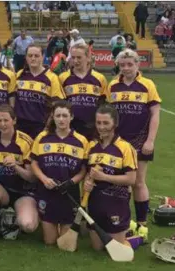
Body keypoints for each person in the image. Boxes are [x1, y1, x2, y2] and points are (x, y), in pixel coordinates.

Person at [106, 49, 162, 241]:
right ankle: (126, 222)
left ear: (138, 64)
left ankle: (142, 223)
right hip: (120, 144)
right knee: (123, 186)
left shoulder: (147, 85)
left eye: (130, 64)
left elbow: (155, 114)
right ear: (118, 66)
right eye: (122, 65)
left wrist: (151, 140)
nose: (126, 68)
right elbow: (108, 116)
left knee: (138, 182)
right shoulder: (113, 85)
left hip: (141, 142)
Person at [30, 100, 88, 245]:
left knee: (65, 244)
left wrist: (71, 182)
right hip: (47, 192)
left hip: (69, 194)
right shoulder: (42, 137)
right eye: (58, 116)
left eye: (65, 116)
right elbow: (34, 163)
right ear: (53, 117)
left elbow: (83, 169)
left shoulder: (81, 141)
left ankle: (79, 226)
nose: (61, 119)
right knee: (50, 242)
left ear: (71, 117)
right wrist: (44, 179)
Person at [83, 105, 137, 251]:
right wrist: (87, 182)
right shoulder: (92, 145)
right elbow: (89, 172)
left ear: (115, 124)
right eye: (98, 122)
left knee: (115, 249)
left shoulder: (125, 148)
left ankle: (135, 235)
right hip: (95, 204)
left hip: (116, 203)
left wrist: (104, 177)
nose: (101, 127)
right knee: (97, 248)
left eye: (106, 123)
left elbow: (131, 179)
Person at [0, 104, 38, 240]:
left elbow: (32, 178)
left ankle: (14, 219)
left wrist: (15, 166)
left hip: (23, 193)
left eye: (6, 120)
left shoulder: (25, 142)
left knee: (28, 226)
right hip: (2, 190)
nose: (2, 124)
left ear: (14, 120)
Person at [11, 44, 65, 138]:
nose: (33, 58)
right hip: (19, 126)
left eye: (36, 56)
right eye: (30, 56)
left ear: (42, 57)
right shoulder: (19, 75)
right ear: (26, 57)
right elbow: (12, 99)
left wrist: (47, 127)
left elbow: (57, 105)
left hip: (40, 126)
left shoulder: (52, 78)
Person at [58, 44, 108, 140]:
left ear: (88, 58)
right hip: (70, 127)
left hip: (93, 129)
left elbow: (103, 105)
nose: (75, 61)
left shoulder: (100, 78)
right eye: (73, 57)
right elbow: (60, 105)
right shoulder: (63, 77)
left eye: (79, 57)